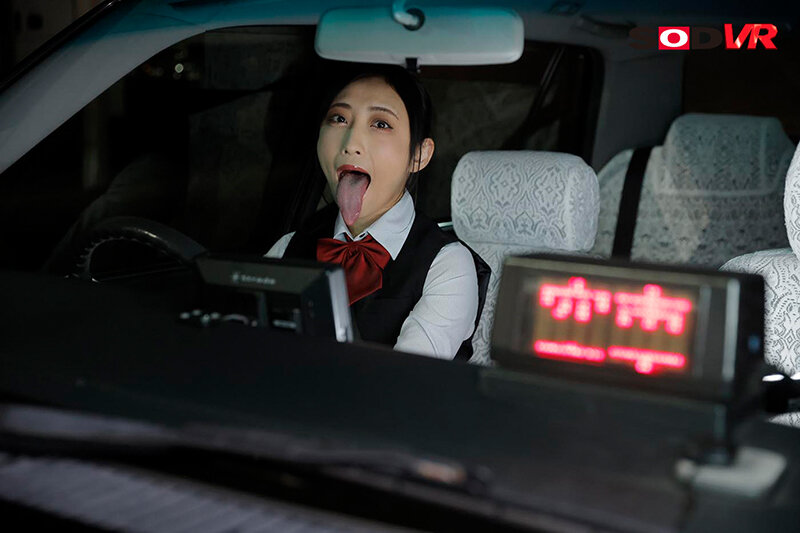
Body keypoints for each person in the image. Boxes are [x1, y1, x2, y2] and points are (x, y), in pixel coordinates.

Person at [266, 64, 489, 360]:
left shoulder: (447, 265)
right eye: (339, 118)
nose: (351, 144)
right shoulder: (289, 247)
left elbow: (403, 380)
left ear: (419, 154)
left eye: (380, 124)